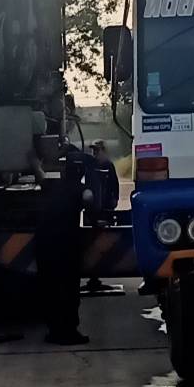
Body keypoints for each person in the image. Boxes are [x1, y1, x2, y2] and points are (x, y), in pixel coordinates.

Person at [36, 152, 90, 345]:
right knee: (69, 289)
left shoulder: (52, 185)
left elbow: (41, 177)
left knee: (50, 288)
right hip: (66, 245)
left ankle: (53, 331)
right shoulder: (81, 189)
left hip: (43, 243)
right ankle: (69, 332)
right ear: (81, 171)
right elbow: (90, 199)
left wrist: (35, 163)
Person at [84, 140, 121, 294]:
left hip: (105, 208)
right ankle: (93, 276)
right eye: (93, 151)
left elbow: (114, 185)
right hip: (92, 209)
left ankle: (97, 273)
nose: (95, 154)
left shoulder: (108, 166)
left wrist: (114, 200)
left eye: (97, 151)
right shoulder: (90, 167)